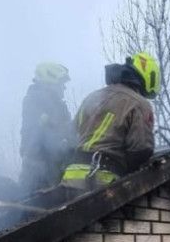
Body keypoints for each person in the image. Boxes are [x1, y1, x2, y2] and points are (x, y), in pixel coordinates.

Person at [60, 52, 160, 192]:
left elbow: (70, 135)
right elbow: (141, 149)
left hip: (71, 177)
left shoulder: (92, 97)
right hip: (102, 179)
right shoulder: (139, 103)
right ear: (149, 77)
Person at [19, 62, 73, 193]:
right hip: (40, 176)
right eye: (61, 83)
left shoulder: (55, 104)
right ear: (50, 82)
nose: (64, 88)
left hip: (51, 171)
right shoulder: (38, 101)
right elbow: (42, 138)